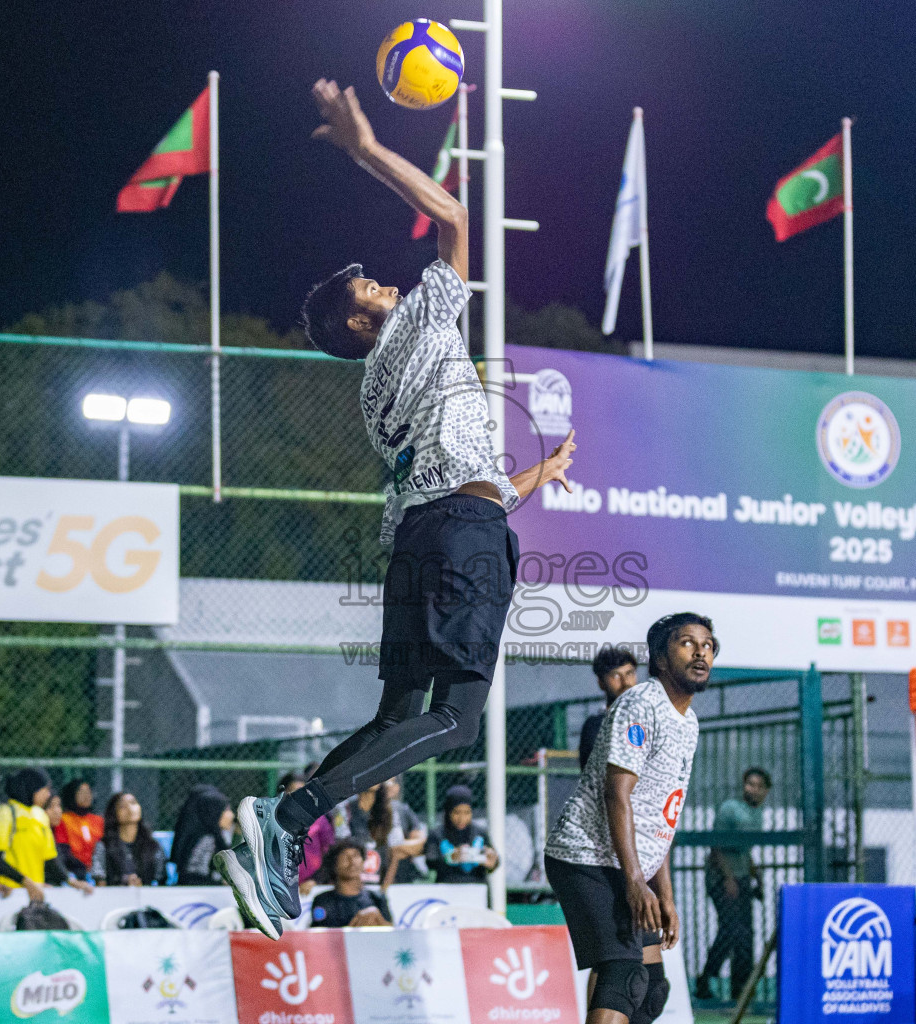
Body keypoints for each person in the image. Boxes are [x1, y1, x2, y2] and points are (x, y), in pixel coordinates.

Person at [219, 77, 578, 940]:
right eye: (368, 291)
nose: (382, 284)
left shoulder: (375, 394)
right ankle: (286, 817)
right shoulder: (415, 329)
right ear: (358, 326)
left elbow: (461, 479)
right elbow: (454, 216)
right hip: (459, 536)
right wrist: (367, 149)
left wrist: (535, 475)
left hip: (425, 537)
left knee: (395, 717)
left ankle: (279, 829)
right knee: (455, 719)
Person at [545, 613, 712, 1024]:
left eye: (708, 645)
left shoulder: (688, 722)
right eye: (687, 643)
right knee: (622, 973)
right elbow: (616, 794)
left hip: (627, 863)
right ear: (660, 659)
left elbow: (661, 816)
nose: (700, 652)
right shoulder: (640, 704)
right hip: (585, 856)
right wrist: (636, 882)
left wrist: (664, 893)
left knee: (651, 988)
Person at [697, 768, 771, 1000]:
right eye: (750, 784)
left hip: (742, 877)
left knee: (745, 934)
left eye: (759, 786)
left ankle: (740, 989)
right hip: (721, 877)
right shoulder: (730, 809)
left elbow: (744, 849)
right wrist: (728, 878)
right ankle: (705, 980)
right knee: (731, 930)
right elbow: (716, 846)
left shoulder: (758, 814)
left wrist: (755, 875)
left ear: (766, 791)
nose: (754, 789)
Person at [0, 768, 91, 900]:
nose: (48, 794)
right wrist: (25, 881)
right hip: (9, 891)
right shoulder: (5, 813)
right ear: (32, 788)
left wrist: (71, 881)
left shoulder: (40, 815)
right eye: (45, 789)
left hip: (36, 891)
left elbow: (50, 858)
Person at [343, 777, 426, 886]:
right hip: (354, 878)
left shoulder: (391, 810)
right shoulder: (346, 809)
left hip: (385, 875)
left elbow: (397, 848)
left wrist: (386, 884)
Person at [424, 785, 499, 884]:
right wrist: (451, 857)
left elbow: (493, 861)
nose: (462, 818)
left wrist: (492, 863)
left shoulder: (480, 833)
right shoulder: (437, 833)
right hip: (446, 887)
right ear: (448, 812)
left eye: (467, 813)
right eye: (457, 812)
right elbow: (430, 861)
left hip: (477, 887)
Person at [309, 838, 392, 928]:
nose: (352, 862)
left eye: (356, 856)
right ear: (334, 864)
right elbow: (321, 933)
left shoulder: (377, 898)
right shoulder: (323, 901)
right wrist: (354, 926)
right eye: (345, 857)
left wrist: (378, 919)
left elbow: (393, 932)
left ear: (363, 861)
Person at [580, 648, 639, 770]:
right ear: (601, 683)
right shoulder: (595, 726)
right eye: (616, 675)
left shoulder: (650, 718)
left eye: (629, 673)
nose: (625, 682)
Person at [278, 771, 334, 893]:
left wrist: (315, 880)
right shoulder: (273, 818)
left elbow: (329, 853)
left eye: (303, 792)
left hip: (311, 887)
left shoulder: (319, 820)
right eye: (293, 791)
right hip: (280, 886)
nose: (299, 796)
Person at [96, 791, 166, 886]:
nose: (129, 808)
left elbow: (161, 882)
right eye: (122, 806)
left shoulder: (153, 847)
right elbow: (100, 884)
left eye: (133, 803)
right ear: (114, 813)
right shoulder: (104, 846)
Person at [172, 785, 233, 886]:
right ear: (214, 812)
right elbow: (196, 877)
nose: (231, 815)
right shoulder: (206, 840)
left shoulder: (218, 836)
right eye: (226, 810)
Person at [56, 779, 103, 875]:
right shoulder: (63, 820)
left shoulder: (98, 820)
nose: (87, 796)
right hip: (74, 870)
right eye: (81, 792)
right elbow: (63, 850)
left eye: (89, 792)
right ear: (72, 794)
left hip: (97, 870)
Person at [45, 794, 92, 881]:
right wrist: (70, 880)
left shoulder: (57, 829)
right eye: (50, 806)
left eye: (58, 805)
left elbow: (65, 857)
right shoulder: (40, 833)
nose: (57, 811)